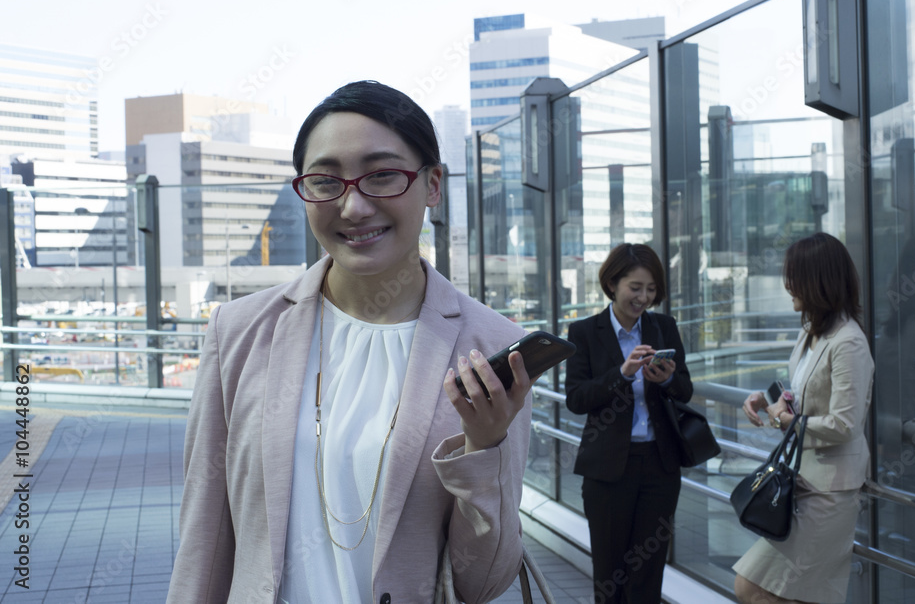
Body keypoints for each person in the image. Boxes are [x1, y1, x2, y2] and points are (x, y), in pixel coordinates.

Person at [166, 80, 535, 604]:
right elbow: (205, 534)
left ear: (433, 185)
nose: (354, 206)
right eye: (325, 181)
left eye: (382, 175)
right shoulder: (240, 332)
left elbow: (484, 580)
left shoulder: (494, 347)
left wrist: (484, 449)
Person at [734, 232, 875, 604]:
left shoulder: (849, 342)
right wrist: (767, 400)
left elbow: (845, 424)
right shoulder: (811, 333)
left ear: (818, 281)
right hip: (804, 479)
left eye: (794, 277)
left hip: (831, 491)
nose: (787, 286)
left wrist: (786, 423)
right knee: (785, 594)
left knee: (755, 588)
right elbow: (799, 396)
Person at [564, 243, 694, 604]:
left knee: (648, 572)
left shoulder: (664, 327)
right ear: (612, 283)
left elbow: (685, 389)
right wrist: (621, 374)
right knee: (610, 572)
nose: (644, 297)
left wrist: (666, 379)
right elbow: (576, 399)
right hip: (608, 470)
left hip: (659, 465)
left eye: (651, 289)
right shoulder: (585, 332)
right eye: (635, 287)